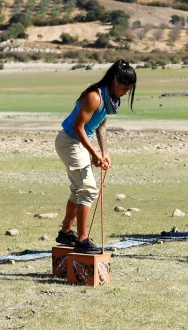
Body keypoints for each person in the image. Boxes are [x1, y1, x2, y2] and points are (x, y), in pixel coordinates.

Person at [55, 60, 137, 253]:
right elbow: (78, 127)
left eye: (129, 90)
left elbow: (101, 126)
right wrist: (94, 153)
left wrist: (105, 152)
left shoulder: (109, 99)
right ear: (115, 81)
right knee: (88, 190)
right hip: (70, 142)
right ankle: (82, 240)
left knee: (79, 189)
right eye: (124, 88)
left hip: (79, 142)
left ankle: (66, 233)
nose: (125, 93)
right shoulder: (95, 97)